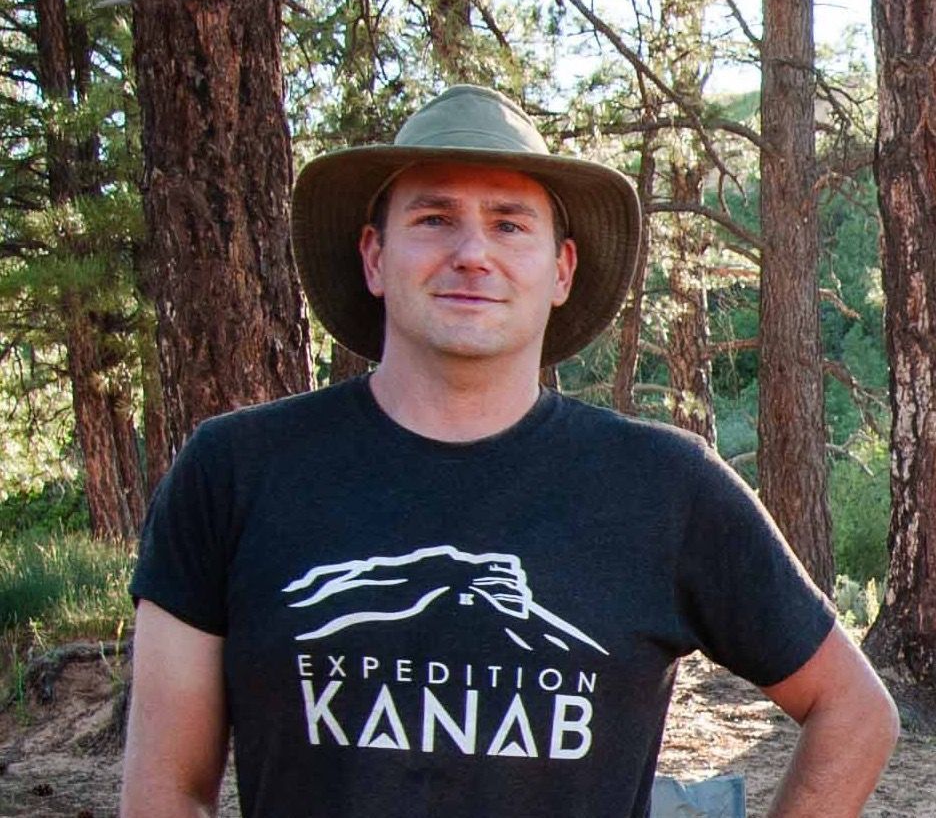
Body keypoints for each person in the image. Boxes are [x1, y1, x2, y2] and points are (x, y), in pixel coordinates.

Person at [120, 85, 899, 818]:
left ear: (560, 269)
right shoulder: (234, 472)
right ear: (373, 256)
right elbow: (166, 787)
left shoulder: (664, 488)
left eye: (509, 222)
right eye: (432, 218)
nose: (471, 252)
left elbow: (854, 711)